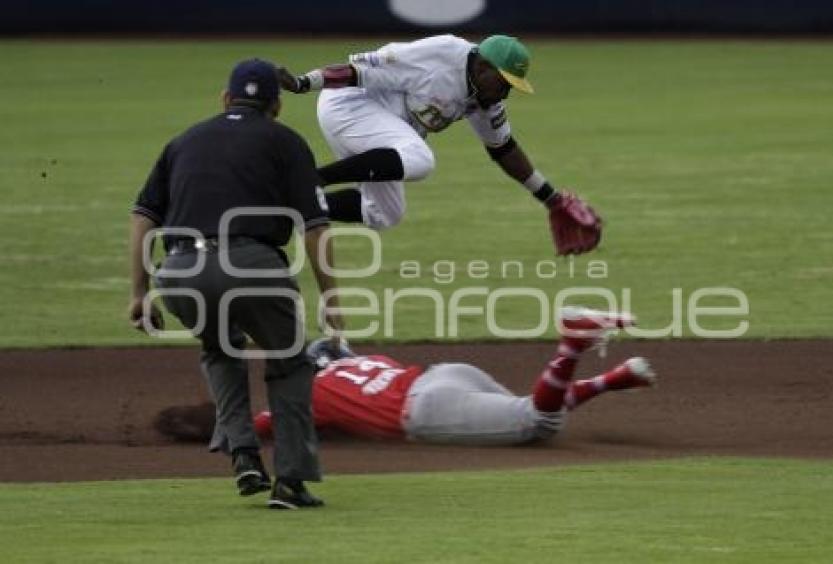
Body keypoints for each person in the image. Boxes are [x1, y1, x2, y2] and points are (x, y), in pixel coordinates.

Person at [129, 58, 346, 509]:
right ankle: (290, 481)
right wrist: (331, 298)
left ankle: (243, 453)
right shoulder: (286, 141)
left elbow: (143, 217)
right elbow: (314, 227)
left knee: (220, 348)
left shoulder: (182, 141)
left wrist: (139, 291)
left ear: (225, 99)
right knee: (288, 364)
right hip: (253, 265)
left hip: (180, 269)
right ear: (277, 107)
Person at [277, 34, 602, 255]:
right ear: (483, 67)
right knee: (420, 158)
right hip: (349, 104)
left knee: (384, 214)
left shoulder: (484, 97)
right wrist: (304, 82)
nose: (505, 93)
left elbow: (504, 150)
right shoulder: (440, 54)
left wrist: (552, 199)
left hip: (387, 127)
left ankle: (294, 206)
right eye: (504, 83)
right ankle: (311, 179)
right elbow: (358, 70)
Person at [155, 308, 656, 447]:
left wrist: (218, 426)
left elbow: (262, 427)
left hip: (427, 409)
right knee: (535, 413)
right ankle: (616, 378)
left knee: (535, 423)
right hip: (446, 376)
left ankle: (572, 342)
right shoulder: (361, 361)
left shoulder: (312, 393)